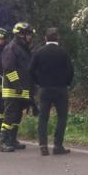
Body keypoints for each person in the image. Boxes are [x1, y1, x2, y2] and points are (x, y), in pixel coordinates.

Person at [29, 27, 74, 155]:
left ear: (45, 38)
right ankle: (57, 145)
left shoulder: (39, 52)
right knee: (62, 117)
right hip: (61, 89)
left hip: (44, 89)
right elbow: (71, 70)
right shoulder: (63, 52)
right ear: (58, 38)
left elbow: (31, 70)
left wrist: (38, 82)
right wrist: (67, 83)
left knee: (43, 117)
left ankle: (43, 145)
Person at [0, 22, 35, 152]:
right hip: (12, 89)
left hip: (21, 89)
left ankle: (12, 139)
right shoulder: (11, 48)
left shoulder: (23, 49)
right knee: (9, 116)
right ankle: (3, 142)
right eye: (28, 34)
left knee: (17, 116)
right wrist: (17, 85)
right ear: (20, 35)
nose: (30, 37)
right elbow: (9, 69)